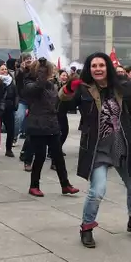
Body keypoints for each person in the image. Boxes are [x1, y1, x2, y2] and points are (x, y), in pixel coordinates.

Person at [59, 52, 131, 248]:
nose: (98, 69)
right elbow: (61, 102)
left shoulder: (123, 87)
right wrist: (69, 87)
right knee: (97, 191)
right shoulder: (84, 89)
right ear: (89, 69)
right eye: (94, 66)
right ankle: (87, 227)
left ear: (107, 67)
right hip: (97, 149)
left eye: (101, 65)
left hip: (122, 145)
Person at [22, 58, 79, 197]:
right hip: (38, 124)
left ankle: (65, 184)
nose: (53, 72)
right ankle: (34, 186)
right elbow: (37, 88)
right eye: (50, 70)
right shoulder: (29, 83)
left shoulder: (51, 85)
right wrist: (42, 68)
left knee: (58, 156)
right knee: (40, 156)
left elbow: (58, 101)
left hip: (52, 123)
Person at [0, 63, 17, 157]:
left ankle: (8, 149)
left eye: (5, 69)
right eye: (2, 69)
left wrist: (15, 105)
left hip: (9, 107)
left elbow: (16, 94)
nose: (4, 71)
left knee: (11, 129)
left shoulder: (11, 81)